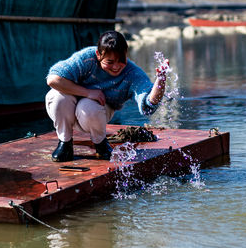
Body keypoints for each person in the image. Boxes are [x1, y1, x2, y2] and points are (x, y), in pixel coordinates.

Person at [45, 30, 167, 162]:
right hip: (69, 109)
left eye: (121, 60)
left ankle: (100, 143)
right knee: (56, 97)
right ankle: (65, 143)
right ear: (98, 54)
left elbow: (149, 104)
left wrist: (160, 81)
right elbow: (53, 79)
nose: (116, 66)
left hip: (96, 113)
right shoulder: (87, 58)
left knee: (87, 106)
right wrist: (88, 92)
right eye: (110, 62)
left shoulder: (132, 74)